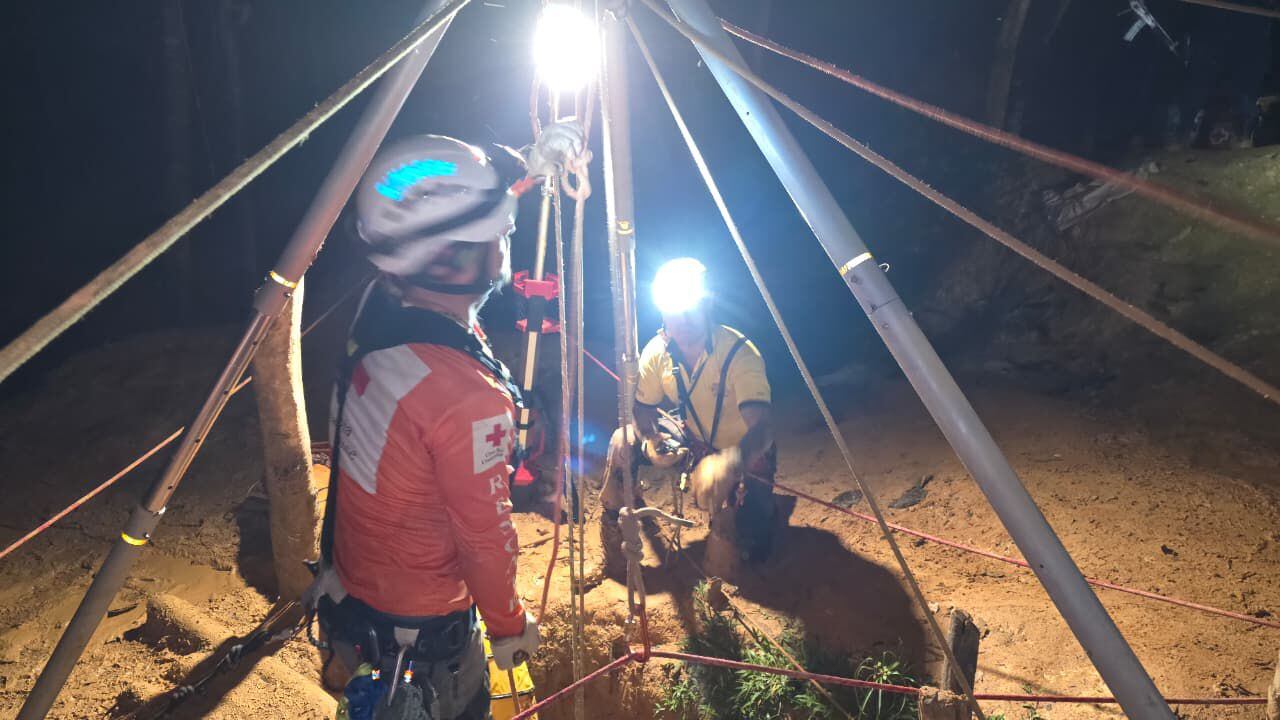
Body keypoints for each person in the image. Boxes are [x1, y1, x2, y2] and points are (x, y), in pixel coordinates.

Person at [305, 123, 584, 720]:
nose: (507, 242)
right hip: (426, 644)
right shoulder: (465, 395)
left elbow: (439, 215)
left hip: (356, 604)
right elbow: (484, 536)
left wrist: (532, 167)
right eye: (499, 235)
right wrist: (510, 627)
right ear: (453, 259)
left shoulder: (382, 309)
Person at [599, 257, 778, 575]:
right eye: (673, 308)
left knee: (747, 550)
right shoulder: (657, 352)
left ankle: (749, 518)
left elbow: (762, 429)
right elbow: (643, 408)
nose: (682, 318)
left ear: (707, 303)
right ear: (662, 309)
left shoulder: (739, 352)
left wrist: (728, 464)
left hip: (742, 452)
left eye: (689, 306)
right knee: (622, 440)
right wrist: (652, 438)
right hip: (692, 442)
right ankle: (614, 534)